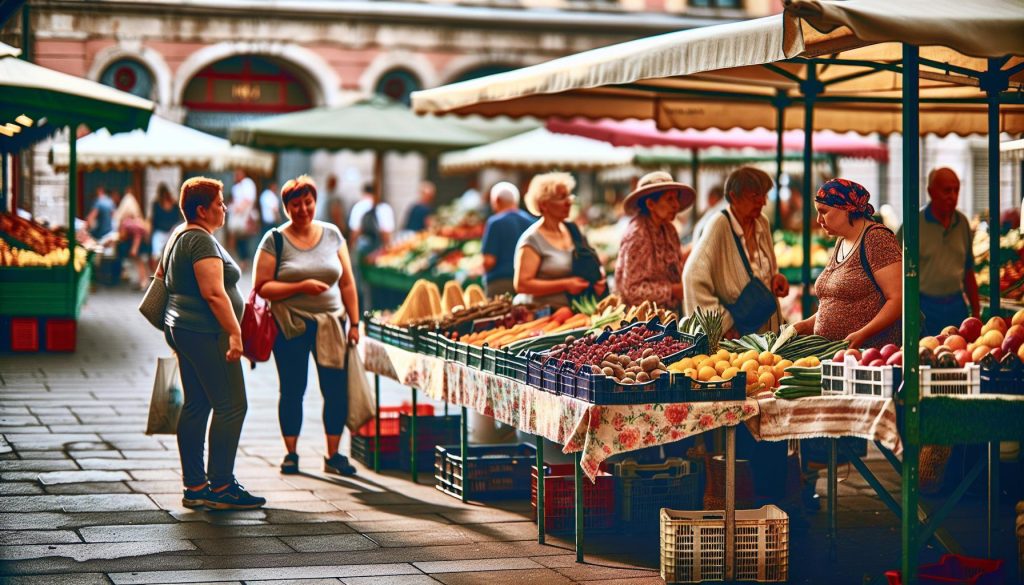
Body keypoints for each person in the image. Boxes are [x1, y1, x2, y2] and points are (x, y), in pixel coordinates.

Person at [160, 176, 265, 511]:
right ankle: (220, 485)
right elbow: (214, 293)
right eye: (219, 203)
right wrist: (235, 333)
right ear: (202, 210)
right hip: (206, 333)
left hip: (185, 329)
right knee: (232, 405)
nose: (225, 208)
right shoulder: (200, 242)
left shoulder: (180, 235)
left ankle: (195, 486)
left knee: (198, 405)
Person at [254, 175, 361, 476]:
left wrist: (355, 322)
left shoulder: (332, 234)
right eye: (295, 204)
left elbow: (348, 283)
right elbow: (262, 286)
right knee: (292, 389)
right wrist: (300, 286)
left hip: (331, 323)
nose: (303, 209)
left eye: (308, 202)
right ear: (286, 207)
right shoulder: (274, 239)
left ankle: (333, 455)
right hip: (289, 325)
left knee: (335, 390)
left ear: (315, 202)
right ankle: (291, 453)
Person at [793, 178, 902, 349]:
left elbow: (898, 299)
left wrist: (863, 333)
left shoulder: (877, 239)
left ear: (846, 209)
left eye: (824, 212)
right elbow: (837, 302)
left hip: (869, 356)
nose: (819, 220)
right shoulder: (841, 241)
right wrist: (806, 325)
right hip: (834, 355)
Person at [683, 167, 788, 336]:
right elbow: (692, 276)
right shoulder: (719, 224)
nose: (763, 202)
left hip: (769, 330)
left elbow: (767, 267)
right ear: (733, 197)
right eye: (755, 196)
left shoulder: (762, 222)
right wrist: (721, 324)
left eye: (765, 195)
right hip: (740, 340)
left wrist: (776, 278)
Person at [896, 168, 979, 335]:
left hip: (957, 305)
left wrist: (976, 312)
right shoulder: (913, 224)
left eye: (956, 190)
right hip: (924, 308)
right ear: (931, 192)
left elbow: (968, 271)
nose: (953, 196)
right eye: (947, 190)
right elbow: (895, 270)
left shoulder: (962, 222)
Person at [513, 172, 606, 308]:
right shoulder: (531, 240)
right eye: (562, 197)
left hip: (574, 311)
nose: (569, 201)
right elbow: (522, 285)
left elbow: (591, 260)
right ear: (543, 204)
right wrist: (565, 285)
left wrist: (599, 276)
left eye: (569, 195)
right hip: (543, 316)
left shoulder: (572, 229)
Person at [615, 171, 695, 309]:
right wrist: (673, 290)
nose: (676, 205)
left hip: (669, 315)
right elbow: (632, 290)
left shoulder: (669, 229)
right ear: (651, 204)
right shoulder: (636, 235)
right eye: (669, 199)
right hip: (640, 322)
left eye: (676, 198)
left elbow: (673, 264)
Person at [481, 181, 535, 298]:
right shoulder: (531, 222)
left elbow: (489, 260)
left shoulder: (495, 222)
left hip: (500, 283)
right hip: (527, 284)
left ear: (497, 201)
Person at [348, 182, 395, 258]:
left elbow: (355, 232)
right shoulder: (384, 207)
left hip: (363, 249)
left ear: (363, 192)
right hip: (379, 251)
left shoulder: (358, 207)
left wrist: (350, 249)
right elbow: (387, 233)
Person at [114, 189, 150, 290]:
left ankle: (144, 282)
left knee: (139, 261)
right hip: (142, 242)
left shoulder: (127, 223)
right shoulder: (131, 221)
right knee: (141, 261)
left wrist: (134, 248)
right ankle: (144, 281)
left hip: (140, 243)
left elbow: (137, 234)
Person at [228, 169, 258, 269]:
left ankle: (245, 260)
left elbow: (248, 200)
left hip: (245, 215)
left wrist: (240, 209)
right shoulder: (236, 187)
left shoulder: (248, 183)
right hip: (237, 216)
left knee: (244, 238)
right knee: (238, 237)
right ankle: (242, 259)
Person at [149, 183, 183, 272]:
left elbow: (178, 219)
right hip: (161, 232)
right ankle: (157, 275)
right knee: (157, 255)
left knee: (167, 254)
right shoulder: (156, 204)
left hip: (170, 232)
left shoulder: (173, 204)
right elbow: (154, 220)